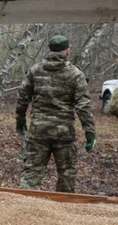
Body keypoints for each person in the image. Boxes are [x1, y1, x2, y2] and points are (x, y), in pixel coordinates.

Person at [16, 35, 96, 193]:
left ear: (49, 50)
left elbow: (22, 98)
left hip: (38, 132)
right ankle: (63, 206)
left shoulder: (35, 71)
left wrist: (20, 120)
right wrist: (90, 133)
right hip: (64, 133)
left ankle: (26, 203)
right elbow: (83, 106)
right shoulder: (75, 74)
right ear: (67, 51)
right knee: (66, 174)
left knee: (32, 172)